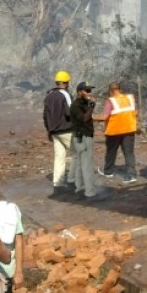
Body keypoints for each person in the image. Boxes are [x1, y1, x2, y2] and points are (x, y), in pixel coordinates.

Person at [93, 82, 138, 183]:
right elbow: (136, 112)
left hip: (114, 131)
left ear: (111, 91)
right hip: (129, 130)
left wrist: (91, 117)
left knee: (111, 152)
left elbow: (104, 117)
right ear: (120, 89)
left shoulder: (111, 101)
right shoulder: (130, 98)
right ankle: (132, 176)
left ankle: (108, 172)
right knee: (129, 153)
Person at [43, 70, 74, 198]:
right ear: (66, 83)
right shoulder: (65, 94)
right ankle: (75, 183)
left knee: (59, 158)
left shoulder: (48, 96)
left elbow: (45, 116)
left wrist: (49, 130)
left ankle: (58, 185)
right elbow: (70, 112)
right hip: (67, 130)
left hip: (54, 132)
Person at [70, 82, 102, 202]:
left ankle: (80, 188)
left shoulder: (83, 104)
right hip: (82, 137)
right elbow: (84, 118)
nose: (89, 93)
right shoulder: (76, 105)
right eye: (86, 90)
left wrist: (90, 104)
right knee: (87, 165)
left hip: (82, 136)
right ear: (79, 92)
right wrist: (92, 105)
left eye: (90, 90)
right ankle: (90, 192)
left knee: (80, 164)